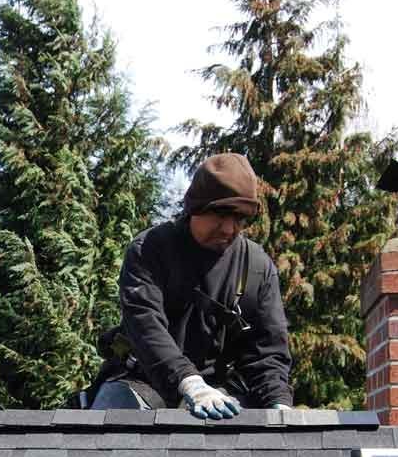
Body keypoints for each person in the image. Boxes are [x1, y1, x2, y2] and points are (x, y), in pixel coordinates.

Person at [91, 153, 293, 418]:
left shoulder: (257, 267)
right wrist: (190, 383)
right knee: (112, 419)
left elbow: (268, 351)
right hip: (146, 382)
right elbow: (145, 325)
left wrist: (278, 403)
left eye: (240, 219)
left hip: (221, 394)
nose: (229, 228)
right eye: (221, 215)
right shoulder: (150, 250)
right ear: (196, 207)